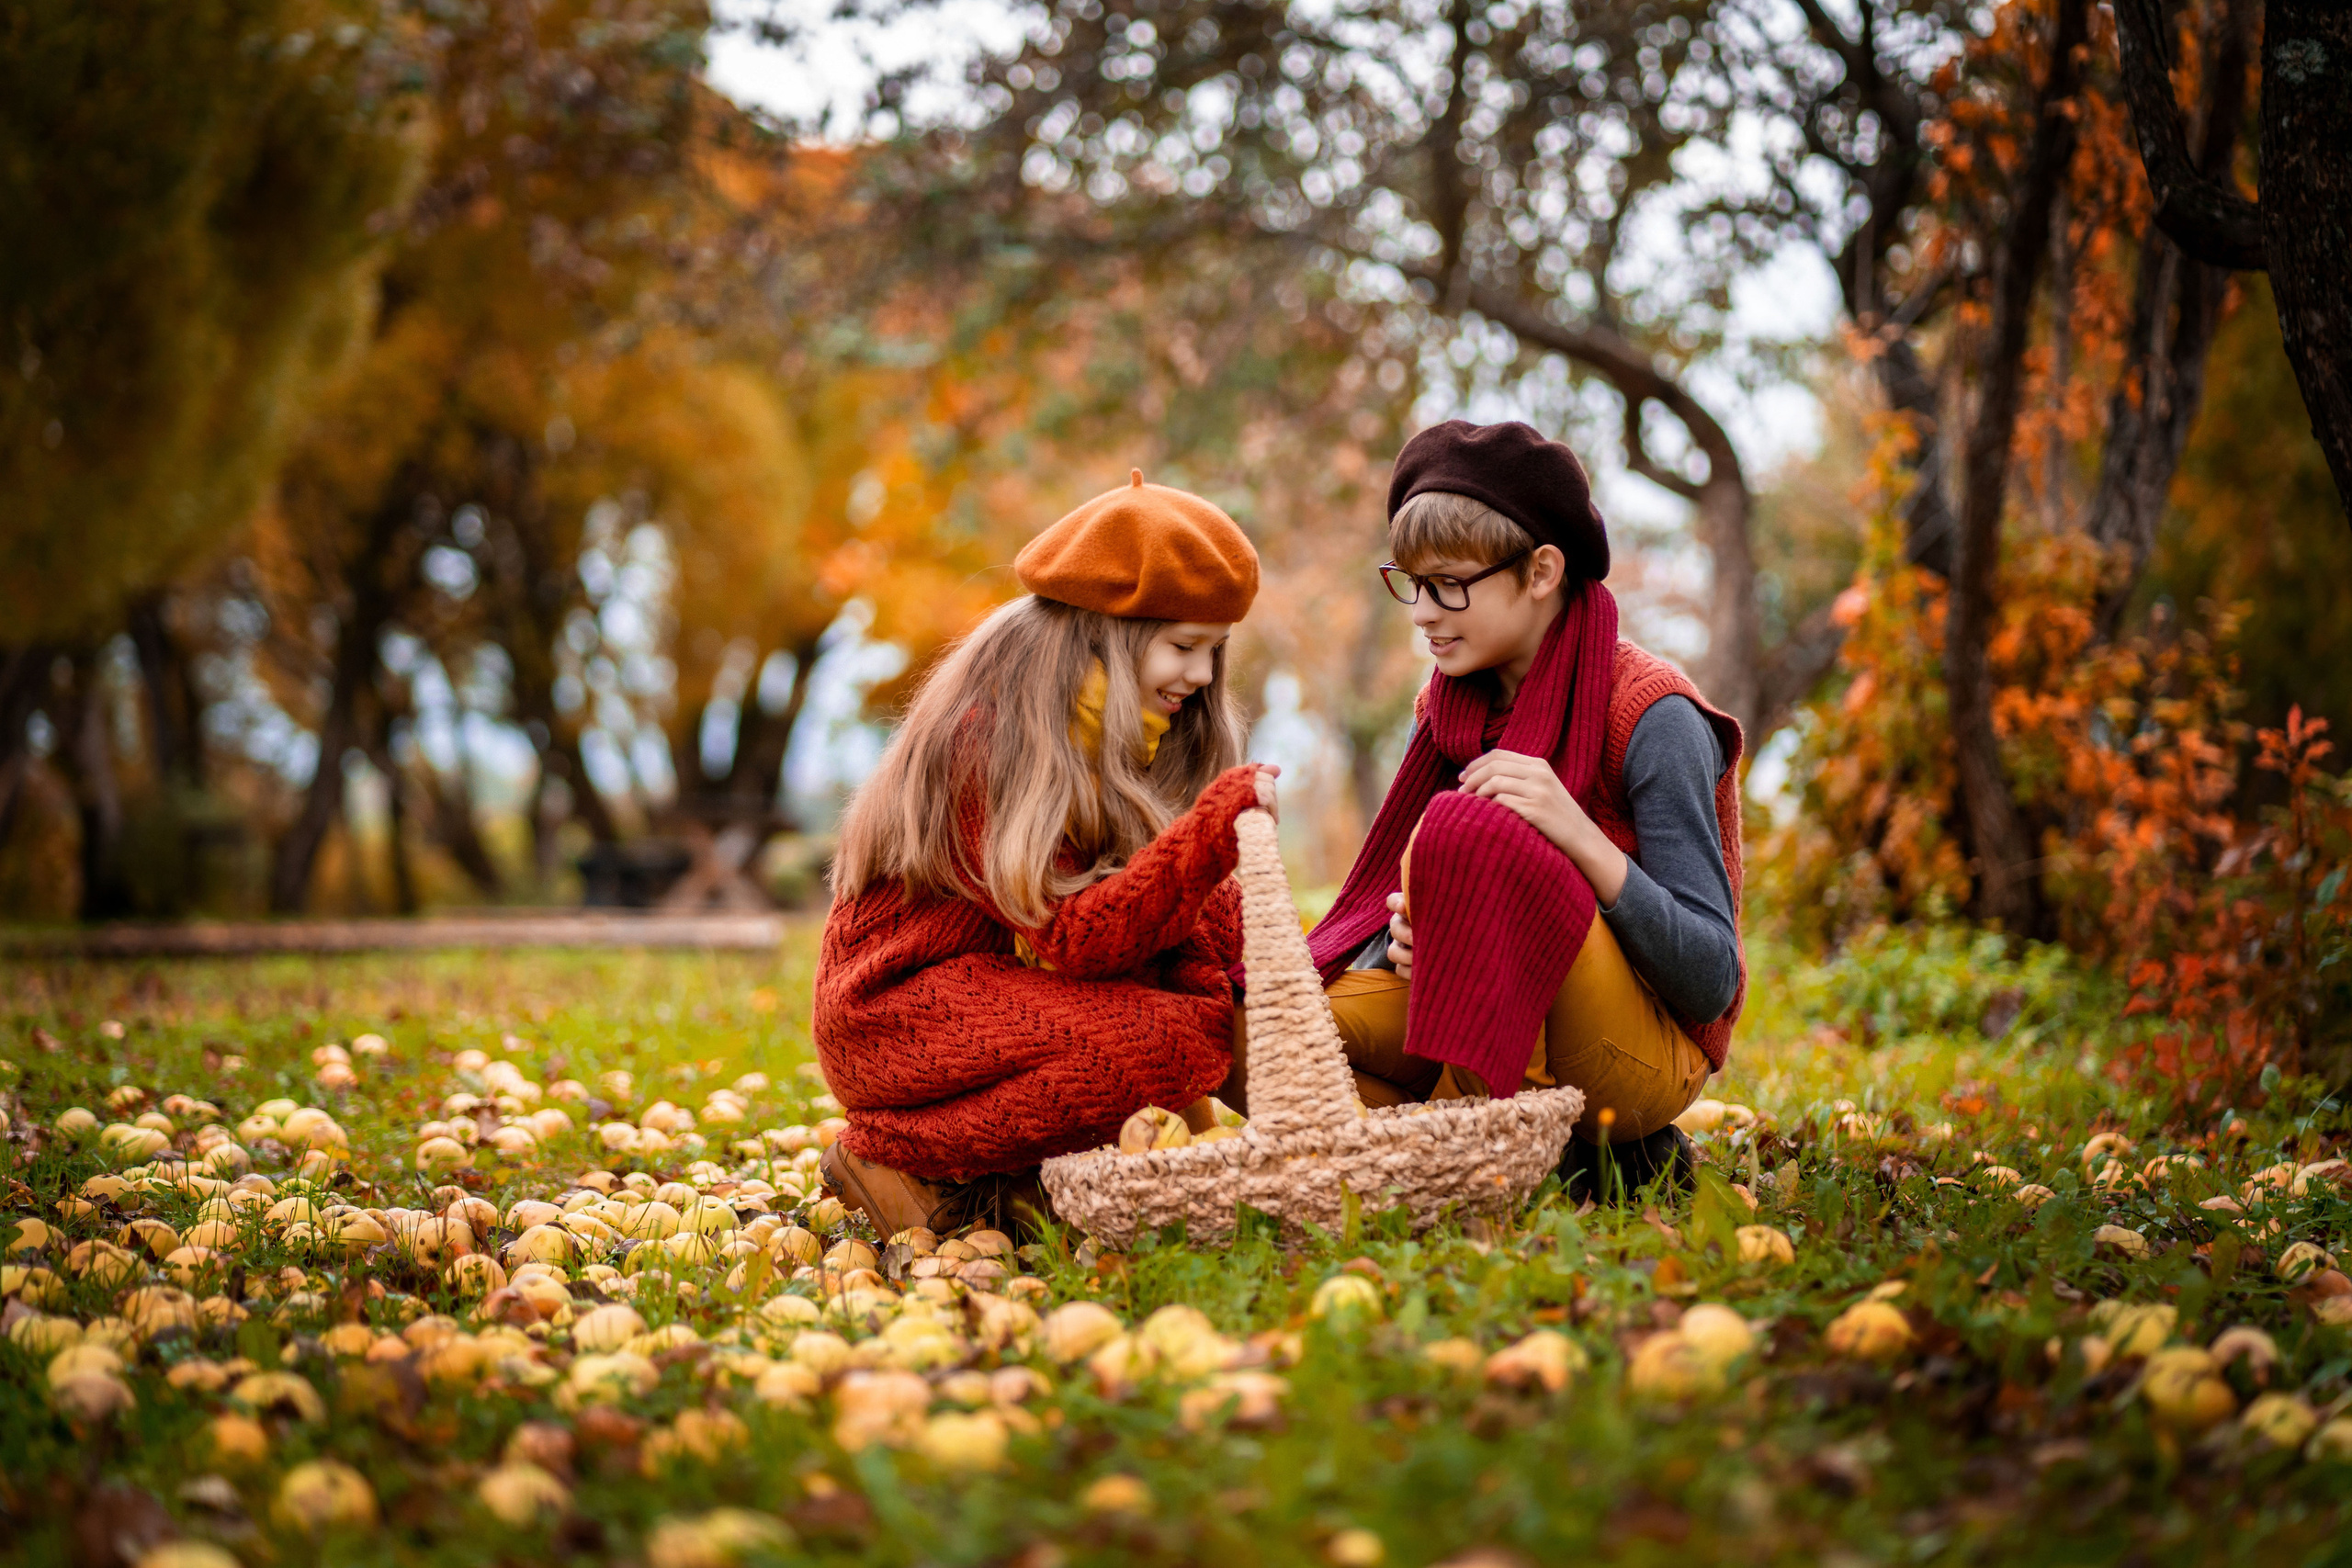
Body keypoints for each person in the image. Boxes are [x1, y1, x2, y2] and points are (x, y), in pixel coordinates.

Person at [1223, 420, 1744, 1195]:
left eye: (1449, 585)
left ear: (1539, 571)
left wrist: (1574, 835)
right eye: (1409, 582)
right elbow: (1412, 886)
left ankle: (1479, 1163)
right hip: (1465, 1015)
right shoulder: (1446, 711)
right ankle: (1426, 1157)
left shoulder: (1653, 715)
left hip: (1637, 1047)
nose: (1422, 614)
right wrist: (1426, 929)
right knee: (1241, 1025)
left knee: (1475, 829)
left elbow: (1710, 979)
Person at [814, 470, 1277, 1235]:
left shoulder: (1123, 736)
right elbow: (1079, 938)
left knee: (1195, 1016)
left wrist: (1251, 982)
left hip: (997, 988)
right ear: (1105, 638)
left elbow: (1186, 906)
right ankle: (894, 1157)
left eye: (1214, 651)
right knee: (1171, 1038)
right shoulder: (990, 741)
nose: (1200, 676)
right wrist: (1209, 836)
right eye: (1183, 647)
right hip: (897, 1013)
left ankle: (1030, 1180)